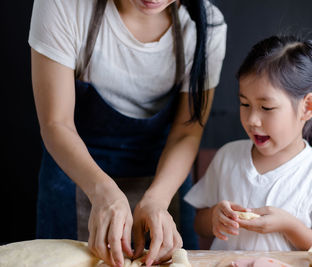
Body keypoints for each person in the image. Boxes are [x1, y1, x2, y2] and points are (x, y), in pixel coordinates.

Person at [29, 0, 226, 266]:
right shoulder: (63, 5)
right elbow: (56, 123)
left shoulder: (206, 24)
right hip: (74, 172)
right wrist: (102, 191)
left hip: (163, 173)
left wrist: (157, 199)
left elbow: (186, 132)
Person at [184, 35, 312, 251]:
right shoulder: (228, 156)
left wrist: (289, 226)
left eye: (266, 108)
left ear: (307, 107)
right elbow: (199, 223)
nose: (252, 120)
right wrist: (215, 216)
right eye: (245, 104)